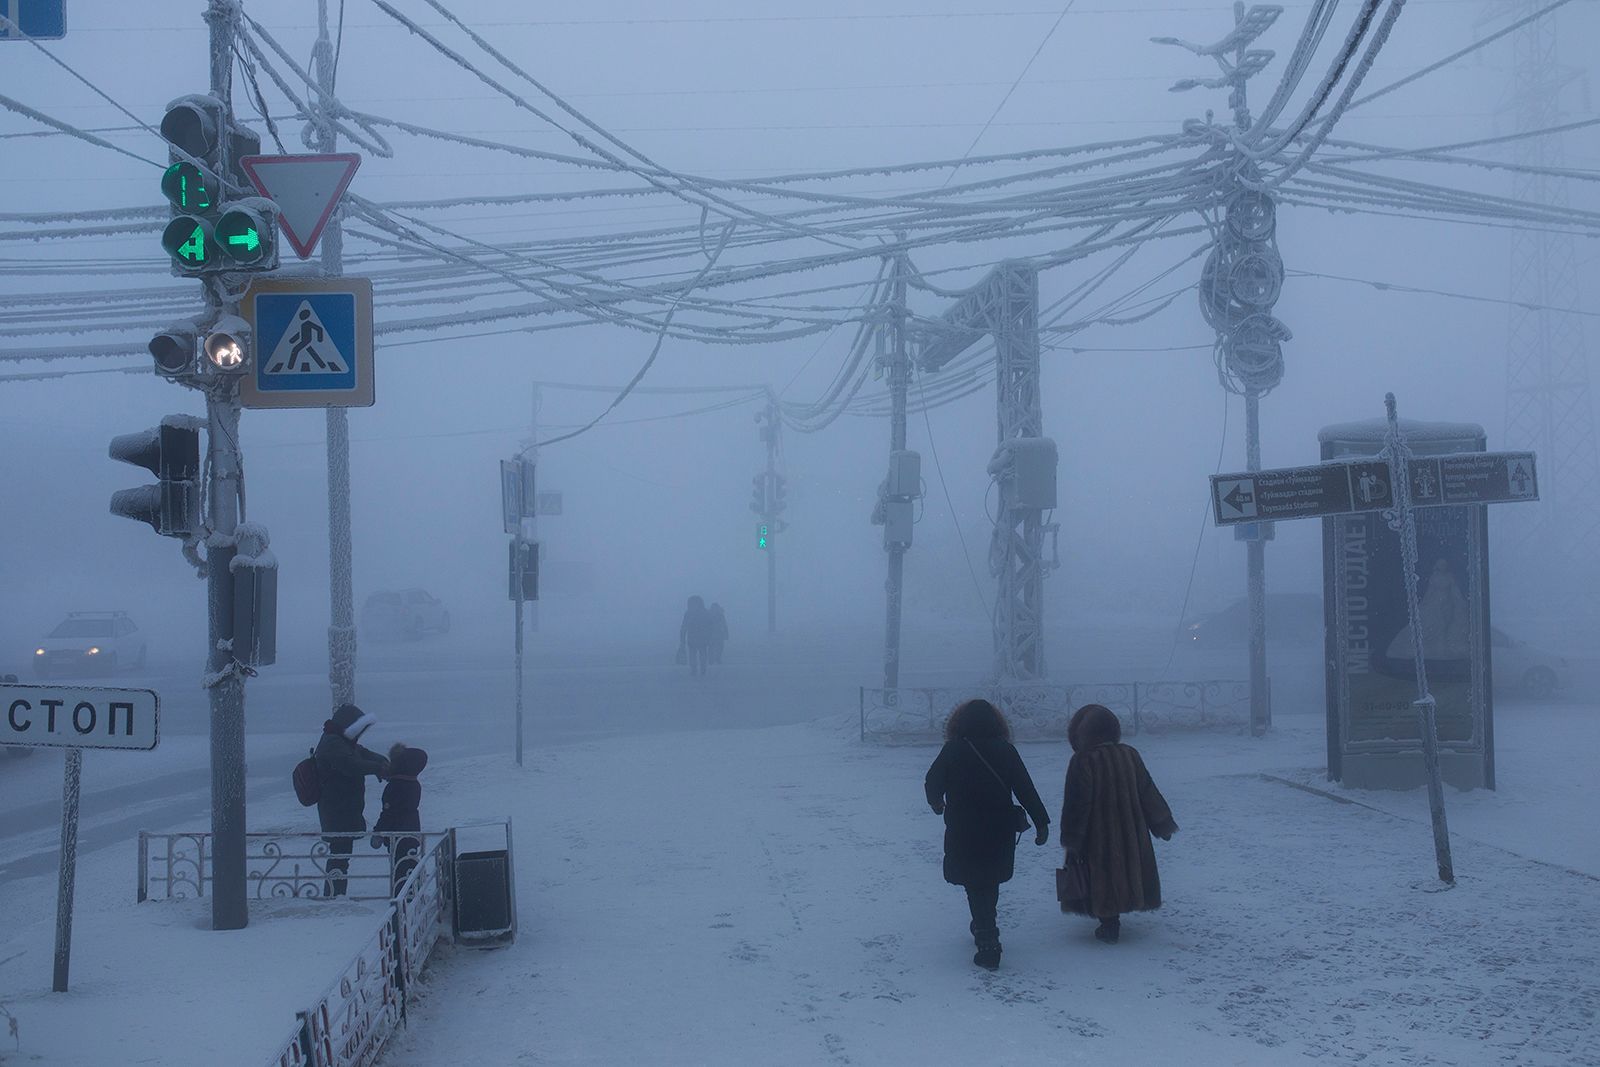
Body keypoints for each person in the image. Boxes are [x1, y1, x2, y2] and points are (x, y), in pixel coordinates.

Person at [924, 699, 1051, 971]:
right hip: (998, 826)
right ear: (997, 723)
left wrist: (937, 803)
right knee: (989, 878)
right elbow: (1025, 788)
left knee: (973, 880)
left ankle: (986, 934)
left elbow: (932, 781)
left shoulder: (953, 750)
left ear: (959, 724)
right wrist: (1041, 823)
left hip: (963, 826)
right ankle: (985, 924)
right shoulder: (1006, 750)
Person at [1059, 704, 1177, 944]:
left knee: (1101, 871)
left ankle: (1109, 922)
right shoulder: (1130, 754)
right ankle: (1116, 913)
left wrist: (1072, 838)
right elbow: (1147, 790)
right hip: (1132, 831)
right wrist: (1162, 824)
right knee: (1125, 867)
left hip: (1097, 834)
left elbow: (1077, 804)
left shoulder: (1082, 760)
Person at [314, 703, 389, 897]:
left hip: (343, 808)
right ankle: (333, 896)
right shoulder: (333, 743)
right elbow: (351, 765)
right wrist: (377, 768)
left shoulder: (341, 741)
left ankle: (335, 894)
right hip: (337, 810)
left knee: (341, 856)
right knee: (339, 856)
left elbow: (363, 753)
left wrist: (383, 762)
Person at [372, 743, 429, 896]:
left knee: (400, 869)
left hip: (398, 834)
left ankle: (402, 900)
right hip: (411, 831)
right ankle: (411, 896)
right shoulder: (413, 783)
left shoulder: (396, 786)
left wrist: (378, 832)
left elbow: (389, 813)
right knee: (408, 865)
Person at [678, 596, 714, 677]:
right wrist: (711, 638)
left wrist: (682, 640)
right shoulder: (705, 612)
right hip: (702, 639)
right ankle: (702, 669)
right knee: (702, 654)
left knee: (693, 655)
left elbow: (684, 627)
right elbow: (711, 627)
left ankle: (694, 670)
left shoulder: (689, 613)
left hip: (693, 639)